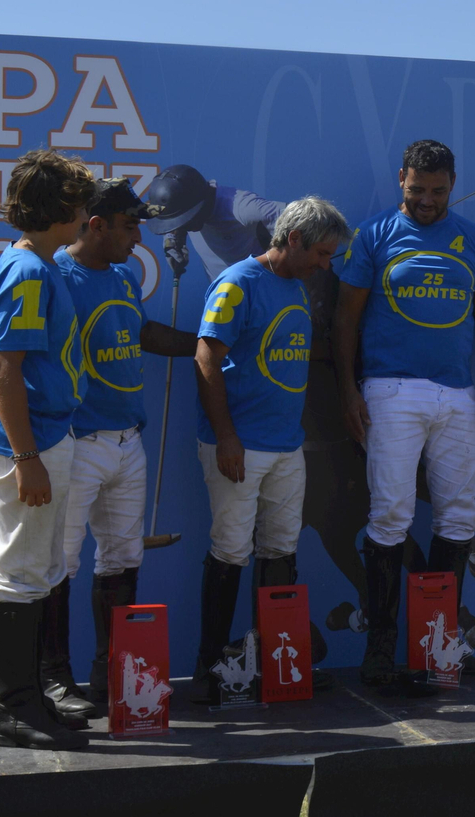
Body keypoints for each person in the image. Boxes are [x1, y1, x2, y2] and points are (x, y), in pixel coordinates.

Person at [333, 139, 475, 693]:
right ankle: (380, 651)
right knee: (390, 514)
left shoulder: (472, 238)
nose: (427, 201)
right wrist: (348, 390)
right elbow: (345, 319)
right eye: (417, 190)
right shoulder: (374, 235)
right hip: (389, 390)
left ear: (453, 184)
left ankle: (440, 645)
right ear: (401, 180)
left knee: (459, 517)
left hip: (457, 393)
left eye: (437, 191)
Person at [41, 179, 197, 716]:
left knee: (124, 556)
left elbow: (142, 332)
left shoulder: (125, 277)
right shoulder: (54, 274)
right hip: (76, 442)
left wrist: (205, 345)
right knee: (60, 562)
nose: (138, 239)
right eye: (130, 227)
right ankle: (53, 680)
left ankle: (112, 673)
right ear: (96, 224)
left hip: (129, 441)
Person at [190, 197, 350, 704]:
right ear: (294, 239)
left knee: (281, 550)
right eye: (321, 253)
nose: (326, 265)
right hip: (239, 446)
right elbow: (205, 358)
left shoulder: (298, 287)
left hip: (286, 446)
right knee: (230, 551)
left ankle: (278, 665)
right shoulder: (237, 282)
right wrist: (226, 436)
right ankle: (209, 670)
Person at [0, 149, 97, 749]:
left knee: (41, 569)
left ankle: (28, 698)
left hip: (45, 434)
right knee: (20, 571)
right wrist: (25, 458)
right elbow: (2, 366)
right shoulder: (28, 270)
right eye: (81, 207)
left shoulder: (25, 261)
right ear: (63, 211)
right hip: (32, 442)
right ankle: (14, 707)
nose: (87, 217)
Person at [143, 164, 283, 282]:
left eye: (183, 220)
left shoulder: (243, 208)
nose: (184, 226)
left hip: (261, 294)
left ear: (198, 205)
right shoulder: (189, 207)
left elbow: (296, 220)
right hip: (221, 297)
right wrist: (172, 236)